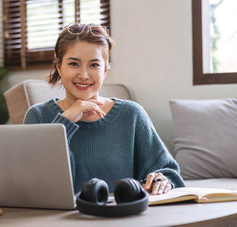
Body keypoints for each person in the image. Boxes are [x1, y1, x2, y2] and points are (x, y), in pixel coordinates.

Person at [24, 23, 185, 195]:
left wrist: (162, 180)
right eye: (74, 64)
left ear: (105, 70)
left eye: (94, 65)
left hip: (122, 217)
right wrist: (64, 123)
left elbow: (169, 172)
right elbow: (31, 183)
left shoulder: (132, 115)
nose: (84, 75)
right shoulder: (38, 116)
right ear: (59, 67)